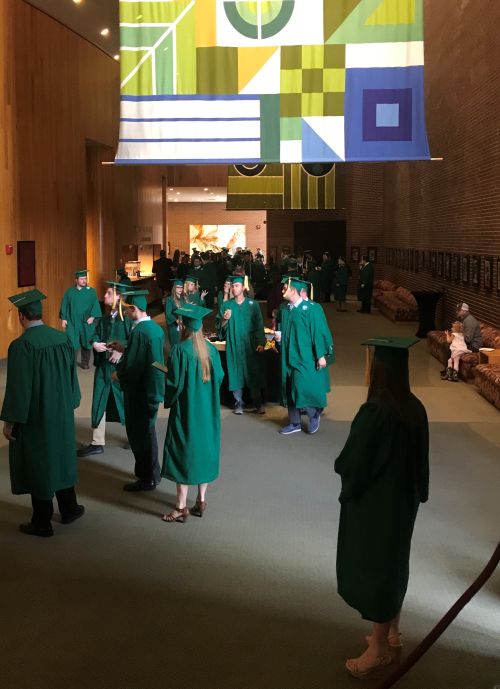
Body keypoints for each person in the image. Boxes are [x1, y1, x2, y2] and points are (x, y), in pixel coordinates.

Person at [334, 337, 429, 679]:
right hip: (403, 504)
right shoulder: (414, 406)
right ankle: (391, 633)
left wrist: (346, 479)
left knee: (375, 569)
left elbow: (354, 463)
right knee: (394, 563)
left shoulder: (376, 411)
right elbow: (422, 464)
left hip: (377, 506)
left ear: (378, 372)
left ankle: (378, 649)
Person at [1, 289, 83, 537]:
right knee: (60, 455)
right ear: (40, 313)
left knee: (40, 462)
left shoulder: (22, 346)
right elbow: (72, 380)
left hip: (37, 416)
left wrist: (11, 421)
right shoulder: (62, 339)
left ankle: (42, 520)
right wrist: (70, 402)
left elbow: (19, 389)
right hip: (61, 411)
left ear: (21, 316)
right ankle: (69, 509)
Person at [160, 304, 224, 523]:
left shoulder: (180, 351)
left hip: (187, 411)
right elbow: (220, 379)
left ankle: (180, 507)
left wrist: (167, 391)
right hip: (208, 411)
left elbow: (174, 383)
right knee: (204, 452)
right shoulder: (212, 351)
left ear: (183, 326)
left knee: (184, 453)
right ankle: (201, 501)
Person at [114, 290, 165, 491]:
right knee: (149, 432)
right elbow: (154, 361)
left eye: (127, 310)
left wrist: (118, 374)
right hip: (153, 386)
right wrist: (125, 349)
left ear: (135, 309)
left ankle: (147, 478)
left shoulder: (139, 332)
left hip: (140, 392)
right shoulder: (155, 329)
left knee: (140, 434)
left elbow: (134, 366)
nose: (125, 314)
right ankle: (154, 473)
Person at [77, 282, 132, 458]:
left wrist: (121, 349)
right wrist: (95, 343)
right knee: (99, 400)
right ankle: (97, 441)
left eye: (109, 293)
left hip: (122, 368)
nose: (105, 296)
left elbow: (135, 341)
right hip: (104, 366)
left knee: (127, 402)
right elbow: (95, 334)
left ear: (119, 297)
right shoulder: (106, 318)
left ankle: (135, 436)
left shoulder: (129, 320)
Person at [276, 277, 333, 434]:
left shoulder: (312, 309)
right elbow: (282, 327)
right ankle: (295, 423)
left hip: (305, 355)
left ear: (293, 289)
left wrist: (321, 355)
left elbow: (319, 333)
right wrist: (279, 336)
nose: (282, 290)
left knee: (300, 386)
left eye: (285, 288)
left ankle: (314, 414)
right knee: (289, 387)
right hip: (288, 353)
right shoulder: (285, 309)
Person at [218, 275, 266, 414]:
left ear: (243, 288)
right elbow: (220, 327)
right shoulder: (227, 305)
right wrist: (224, 319)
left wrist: (261, 342)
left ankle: (258, 402)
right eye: (232, 286)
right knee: (235, 373)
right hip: (234, 344)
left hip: (249, 345)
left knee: (253, 372)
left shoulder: (253, 305)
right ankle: (239, 402)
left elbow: (259, 325)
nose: (234, 288)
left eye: (237, 286)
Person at [59, 269, 102, 368]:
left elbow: (95, 304)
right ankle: (71, 363)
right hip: (72, 321)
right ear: (76, 280)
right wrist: (63, 319)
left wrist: (93, 316)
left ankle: (85, 363)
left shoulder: (91, 291)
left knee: (86, 341)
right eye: (82, 278)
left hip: (86, 321)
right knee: (72, 342)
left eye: (85, 278)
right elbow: (64, 305)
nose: (84, 280)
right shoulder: (69, 292)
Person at [439, 302, 483, 379]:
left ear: (464, 311)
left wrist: (457, 335)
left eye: (458, 310)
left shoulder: (470, 321)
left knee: (447, 346)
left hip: (474, 346)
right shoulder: (465, 319)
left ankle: (449, 370)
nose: (457, 312)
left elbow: (468, 339)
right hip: (466, 343)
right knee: (446, 344)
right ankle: (449, 369)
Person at [164, 278, 185, 346]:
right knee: (175, 343)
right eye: (178, 287)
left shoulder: (183, 299)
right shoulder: (169, 299)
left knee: (183, 342)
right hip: (174, 326)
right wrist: (176, 320)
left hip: (183, 324)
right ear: (174, 288)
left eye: (181, 287)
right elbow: (168, 313)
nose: (180, 289)